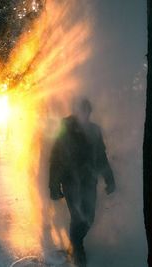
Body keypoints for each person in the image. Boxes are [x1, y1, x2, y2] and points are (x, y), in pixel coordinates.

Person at [49, 97, 116, 267]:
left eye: (87, 111)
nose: (84, 115)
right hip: (70, 180)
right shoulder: (64, 128)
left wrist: (109, 178)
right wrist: (53, 185)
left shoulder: (94, 130)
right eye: (81, 111)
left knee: (90, 217)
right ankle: (78, 251)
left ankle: (75, 245)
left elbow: (101, 156)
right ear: (76, 111)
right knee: (78, 216)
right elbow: (55, 157)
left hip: (89, 181)